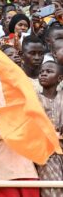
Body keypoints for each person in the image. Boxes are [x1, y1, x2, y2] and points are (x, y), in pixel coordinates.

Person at [37, 61, 63, 197]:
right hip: (47, 153)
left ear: (60, 78)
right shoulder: (34, 99)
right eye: (41, 72)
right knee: (53, 190)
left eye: (49, 71)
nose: (43, 74)